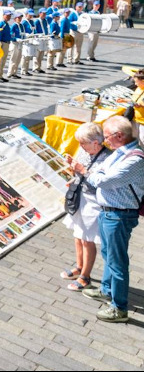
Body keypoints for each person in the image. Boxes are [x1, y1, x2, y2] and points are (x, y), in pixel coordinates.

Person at [80, 116, 144, 322]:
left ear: (119, 136)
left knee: (117, 262)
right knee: (108, 255)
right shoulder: (120, 152)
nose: (105, 141)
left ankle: (119, 308)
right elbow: (100, 170)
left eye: (107, 137)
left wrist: (84, 171)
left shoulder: (134, 159)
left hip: (119, 215)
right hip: (108, 212)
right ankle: (107, 290)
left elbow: (103, 180)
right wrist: (96, 173)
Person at [61, 122, 111, 291]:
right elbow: (79, 173)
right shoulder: (84, 151)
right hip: (79, 197)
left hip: (94, 201)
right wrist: (73, 172)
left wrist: (82, 171)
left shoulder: (108, 158)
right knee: (78, 235)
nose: (80, 146)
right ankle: (79, 266)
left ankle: (85, 276)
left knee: (87, 239)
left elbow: (102, 183)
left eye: (83, 143)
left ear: (96, 143)